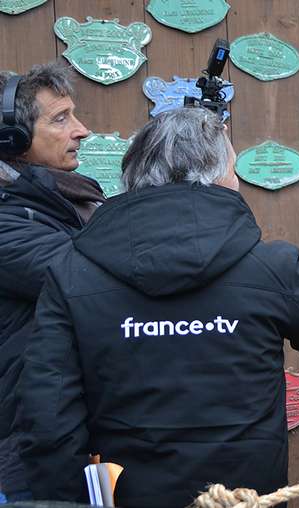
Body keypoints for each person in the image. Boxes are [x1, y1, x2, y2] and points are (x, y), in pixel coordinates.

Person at [16, 107, 299, 507]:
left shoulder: (72, 273)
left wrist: (68, 497)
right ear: (214, 176)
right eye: (232, 166)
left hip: (134, 493)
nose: (238, 178)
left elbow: (48, 415)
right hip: (243, 496)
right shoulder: (268, 266)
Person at [0, 63, 103, 504]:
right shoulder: (6, 221)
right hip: (22, 456)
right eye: (60, 119)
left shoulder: (67, 201)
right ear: (13, 139)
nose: (80, 130)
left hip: (68, 442)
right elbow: (88, 276)